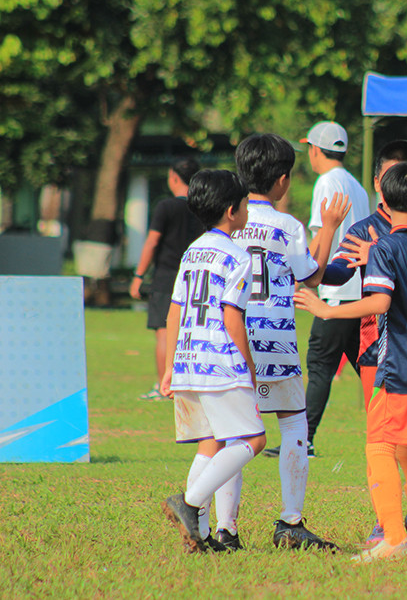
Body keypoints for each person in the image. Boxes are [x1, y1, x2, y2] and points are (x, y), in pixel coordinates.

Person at [295, 162, 407, 562]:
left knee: (379, 446)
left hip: (402, 361)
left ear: (381, 196)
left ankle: (394, 540)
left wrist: (326, 311)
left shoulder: (384, 246)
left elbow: (380, 301)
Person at [229, 133, 350, 550]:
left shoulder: (230, 223)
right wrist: (330, 227)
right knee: (294, 422)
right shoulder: (287, 226)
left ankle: (226, 528)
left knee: (235, 434)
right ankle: (290, 522)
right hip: (275, 342)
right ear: (282, 181)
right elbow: (312, 276)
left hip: (234, 338)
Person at [159, 169, 266, 554]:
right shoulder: (238, 256)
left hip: (188, 358)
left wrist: (170, 366)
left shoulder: (192, 251)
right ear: (232, 210)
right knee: (253, 438)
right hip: (220, 361)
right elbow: (232, 317)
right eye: (247, 203)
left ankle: (200, 537)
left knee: (212, 443)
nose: (249, 210)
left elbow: (175, 310)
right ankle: (189, 502)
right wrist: (247, 366)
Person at [300, 121, 370, 457]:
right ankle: (390, 427)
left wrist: (305, 271)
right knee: (366, 365)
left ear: (315, 149)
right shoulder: (357, 186)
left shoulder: (326, 182)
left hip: (334, 288)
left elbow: (321, 237)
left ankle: (304, 439)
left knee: (320, 364)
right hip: (361, 288)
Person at [131, 157, 202, 400]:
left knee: (164, 331)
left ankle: (164, 387)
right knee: (190, 332)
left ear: (174, 177)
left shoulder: (165, 206)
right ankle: (189, 383)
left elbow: (152, 241)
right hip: (194, 277)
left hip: (166, 277)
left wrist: (138, 275)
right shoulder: (201, 207)